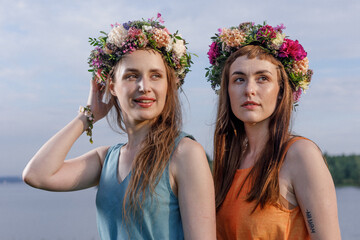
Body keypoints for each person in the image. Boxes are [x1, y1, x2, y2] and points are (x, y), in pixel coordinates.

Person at [23, 14, 215, 240]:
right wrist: (87, 117)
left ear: (168, 85)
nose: (144, 87)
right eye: (132, 76)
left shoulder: (185, 153)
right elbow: (37, 175)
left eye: (156, 76)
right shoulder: (106, 159)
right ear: (112, 86)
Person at [206, 22, 341, 239]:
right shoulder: (229, 162)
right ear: (227, 90)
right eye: (239, 79)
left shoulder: (300, 155)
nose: (249, 90)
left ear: (280, 91)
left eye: (263, 79)